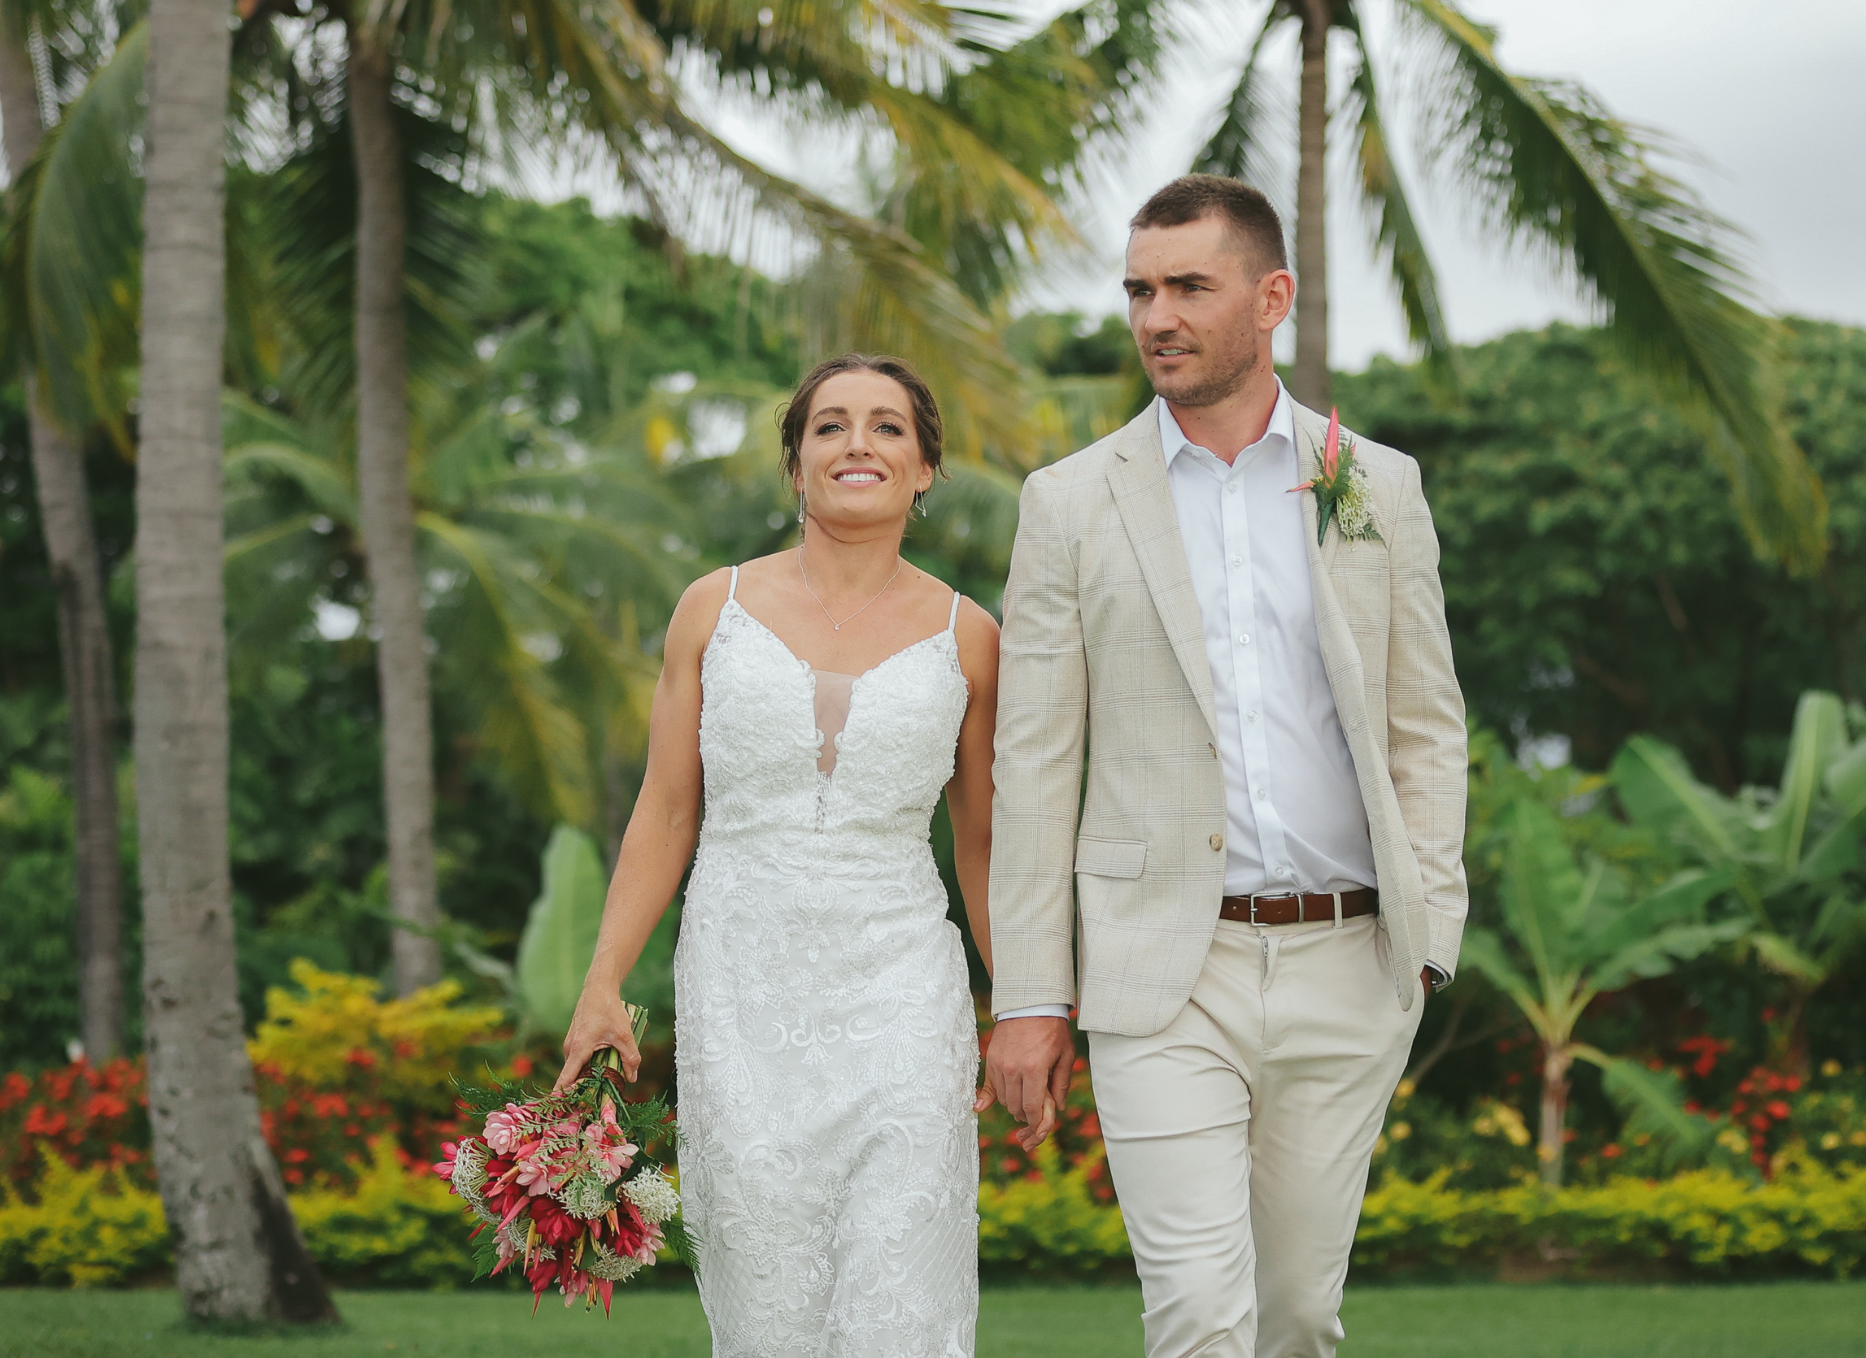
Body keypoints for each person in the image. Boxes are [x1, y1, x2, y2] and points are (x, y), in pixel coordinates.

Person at [983, 174, 1469, 1358]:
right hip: (1160, 973)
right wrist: (1032, 997)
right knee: (1200, 1315)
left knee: (1297, 1318)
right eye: (1141, 290)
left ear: (1271, 299)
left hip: (1350, 961)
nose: (1157, 316)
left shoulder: (1379, 484)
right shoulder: (1068, 503)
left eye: (1189, 287)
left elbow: (1424, 725)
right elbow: (1034, 763)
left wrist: (1429, 932)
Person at [556, 354, 1001, 1357]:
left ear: (925, 466)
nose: (858, 444)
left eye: (888, 427)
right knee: (766, 1304)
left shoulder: (970, 637)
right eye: (830, 426)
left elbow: (980, 843)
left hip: (903, 991)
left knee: (902, 1292)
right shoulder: (710, 611)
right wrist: (602, 982)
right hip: (740, 990)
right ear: (794, 463)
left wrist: (1020, 1012)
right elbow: (667, 814)